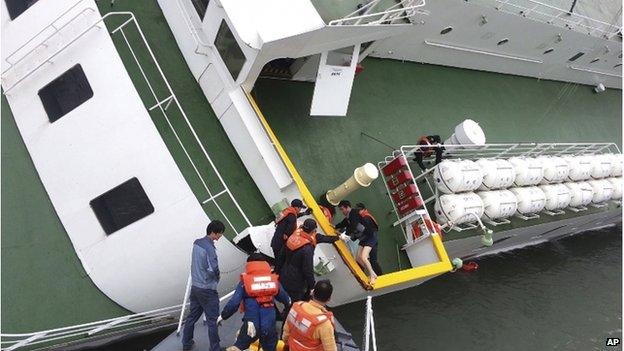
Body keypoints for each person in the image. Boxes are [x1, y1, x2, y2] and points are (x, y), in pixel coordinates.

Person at [219, 253, 291, 351]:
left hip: (251, 325)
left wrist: (223, 316)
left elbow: (234, 303)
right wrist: (289, 305)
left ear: (249, 265)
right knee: (270, 347)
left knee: (238, 347)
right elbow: (285, 298)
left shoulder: (245, 282)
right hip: (269, 324)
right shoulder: (273, 280)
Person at [182, 220, 225, 351]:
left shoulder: (197, 243)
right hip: (207, 289)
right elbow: (213, 269)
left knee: (192, 317)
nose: (220, 236)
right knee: (212, 321)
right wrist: (217, 276)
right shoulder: (209, 248)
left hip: (195, 287)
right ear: (213, 232)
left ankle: (187, 343)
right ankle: (215, 348)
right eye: (220, 234)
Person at [278, 219, 345, 302]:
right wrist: (312, 286)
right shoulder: (307, 249)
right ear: (313, 230)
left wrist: (277, 270)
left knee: (283, 295)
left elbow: (281, 255)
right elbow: (308, 269)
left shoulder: (294, 235)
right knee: (294, 301)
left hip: (285, 271)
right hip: (296, 279)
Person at [282, 280, 336, 351]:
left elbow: (286, 330)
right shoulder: (324, 324)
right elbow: (330, 349)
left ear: (312, 293)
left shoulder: (297, 306)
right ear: (329, 299)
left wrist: (286, 343)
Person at [335, 200, 380, 285]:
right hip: (363, 239)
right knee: (358, 258)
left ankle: (373, 275)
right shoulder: (349, 216)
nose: (341, 211)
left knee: (364, 257)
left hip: (370, 238)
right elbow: (344, 222)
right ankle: (367, 271)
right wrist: (335, 226)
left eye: (342, 209)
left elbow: (353, 225)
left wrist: (346, 235)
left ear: (347, 207)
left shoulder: (353, 213)